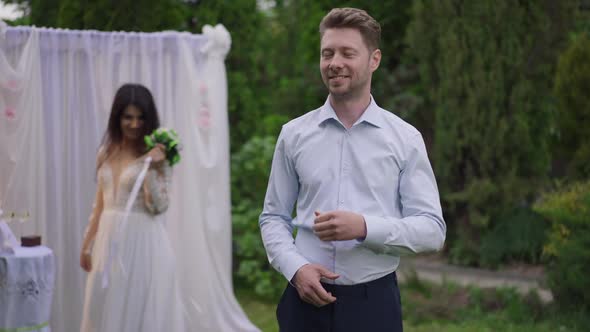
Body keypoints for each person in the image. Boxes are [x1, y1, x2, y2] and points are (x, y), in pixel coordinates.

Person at [259, 7, 446, 332]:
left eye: (347, 53)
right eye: (327, 53)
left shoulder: (404, 138)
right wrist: (295, 269)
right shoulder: (294, 134)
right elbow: (273, 217)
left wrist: (364, 227)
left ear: (374, 59)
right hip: (302, 303)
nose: (334, 63)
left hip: (374, 305)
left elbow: (432, 230)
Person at [79, 83, 184, 332]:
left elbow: (160, 206)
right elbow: (100, 204)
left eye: (140, 117)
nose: (135, 124)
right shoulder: (106, 152)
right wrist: (87, 243)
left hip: (143, 242)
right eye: (128, 117)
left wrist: (150, 164)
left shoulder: (159, 156)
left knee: (139, 307)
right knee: (103, 305)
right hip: (108, 238)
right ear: (117, 117)